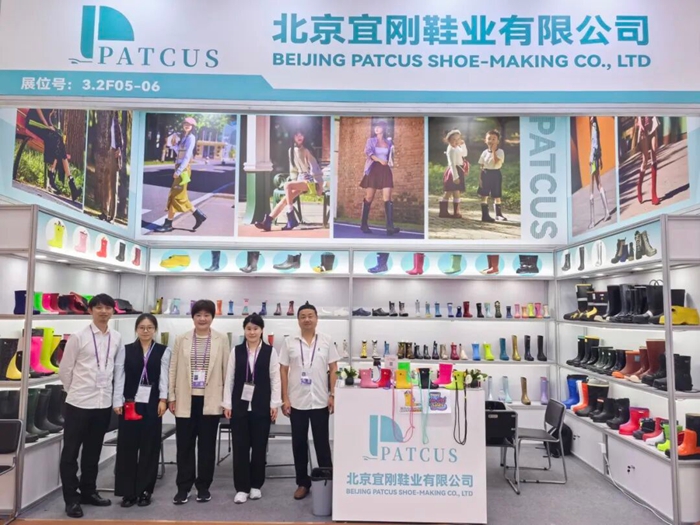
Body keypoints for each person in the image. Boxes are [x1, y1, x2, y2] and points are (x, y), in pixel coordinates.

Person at [58, 294, 124, 518]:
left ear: (113, 311)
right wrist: (76, 391)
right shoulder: (78, 337)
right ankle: (71, 499)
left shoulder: (116, 337)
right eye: (99, 307)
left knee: (93, 452)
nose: (103, 311)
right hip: (78, 403)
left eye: (108, 308)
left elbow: (115, 369)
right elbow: (65, 370)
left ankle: (88, 491)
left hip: (102, 403)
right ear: (90, 310)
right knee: (70, 453)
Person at [168, 299, 229, 505]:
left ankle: (203, 487)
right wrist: (171, 396)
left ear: (212, 317)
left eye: (206, 315)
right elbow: (173, 369)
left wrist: (226, 401)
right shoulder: (182, 339)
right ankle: (183, 488)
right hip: (186, 398)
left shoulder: (221, 339)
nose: (202, 319)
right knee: (184, 446)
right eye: (198, 315)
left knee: (207, 446)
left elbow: (226, 371)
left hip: (211, 399)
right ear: (192, 317)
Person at [280, 302, 340, 500]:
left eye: (310, 316)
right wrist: (285, 398)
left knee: (322, 443)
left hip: (320, 400)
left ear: (316, 318)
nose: (307, 319)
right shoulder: (289, 342)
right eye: (303, 316)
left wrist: (333, 394)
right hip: (297, 400)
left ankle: (327, 481)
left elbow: (333, 368)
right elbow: (283, 370)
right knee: (298, 443)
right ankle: (303, 483)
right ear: (298, 320)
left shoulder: (327, 340)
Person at [112, 314, 171, 508]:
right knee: (127, 447)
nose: (146, 331)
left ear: (155, 330)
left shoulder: (163, 351)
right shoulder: (126, 350)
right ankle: (128, 491)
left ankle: (145, 490)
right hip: (129, 402)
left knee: (149, 447)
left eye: (150, 327)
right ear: (136, 329)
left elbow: (164, 378)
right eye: (142, 327)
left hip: (153, 403)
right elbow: (119, 376)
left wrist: (163, 399)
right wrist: (117, 401)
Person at [223, 314, 281, 504]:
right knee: (240, 447)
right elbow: (229, 378)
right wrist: (227, 404)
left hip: (261, 405)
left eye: (256, 328)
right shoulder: (236, 351)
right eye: (249, 328)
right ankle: (241, 488)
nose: (252, 332)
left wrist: (274, 404)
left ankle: (256, 485)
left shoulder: (270, 352)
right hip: (239, 406)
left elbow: (275, 379)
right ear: (244, 330)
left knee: (259, 446)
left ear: (262, 330)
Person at [254, 129, 323, 232]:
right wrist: (294, 182)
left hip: (311, 181)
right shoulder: (291, 151)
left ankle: (291, 218)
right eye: (296, 135)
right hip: (300, 180)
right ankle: (268, 222)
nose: (299, 137)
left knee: (287, 185)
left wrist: (319, 185)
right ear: (293, 137)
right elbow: (293, 170)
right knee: (284, 200)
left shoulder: (307, 150)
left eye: (301, 134)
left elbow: (315, 167)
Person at [155, 117, 208, 233]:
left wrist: (179, 171)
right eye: (185, 123)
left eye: (189, 124)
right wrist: (174, 145)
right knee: (180, 196)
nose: (187, 125)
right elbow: (180, 152)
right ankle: (199, 215)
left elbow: (187, 156)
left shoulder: (191, 138)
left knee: (175, 196)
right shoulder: (184, 137)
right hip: (179, 167)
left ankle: (168, 224)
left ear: (193, 127)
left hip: (183, 169)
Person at [25, 108, 82, 201]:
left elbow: (47, 116)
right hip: (33, 122)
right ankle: (56, 178)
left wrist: (51, 126)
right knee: (57, 140)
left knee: (59, 140)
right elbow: (38, 109)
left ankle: (69, 182)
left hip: (43, 126)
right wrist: (47, 126)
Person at [359, 120, 400, 236]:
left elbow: (391, 156)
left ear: (384, 128)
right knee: (369, 197)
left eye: (379, 127)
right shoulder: (371, 141)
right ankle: (364, 224)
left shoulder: (389, 142)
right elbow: (369, 153)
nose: (376, 129)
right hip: (373, 169)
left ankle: (390, 227)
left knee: (388, 197)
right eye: (375, 127)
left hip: (385, 170)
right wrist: (380, 160)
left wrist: (389, 161)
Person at [97, 111, 124, 224]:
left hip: (114, 153)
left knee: (113, 185)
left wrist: (119, 150)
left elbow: (121, 140)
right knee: (105, 183)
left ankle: (112, 216)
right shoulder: (108, 122)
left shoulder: (116, 123)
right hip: (108, 152)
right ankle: (105, 212)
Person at [478, 129, 508, 223]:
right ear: (485, 140)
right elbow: (481, 166)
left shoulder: (500, 152)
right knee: (484, 194)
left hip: (496, 174)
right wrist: (480, 179)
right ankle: (485, 215)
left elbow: (496, 162)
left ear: (498, 141)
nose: (491, 141)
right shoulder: (484, 152)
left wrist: (493, 151)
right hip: (486, 174)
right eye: (489, 138)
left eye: (494, 139)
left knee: (496, 194)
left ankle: (498, 214)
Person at [588, 116, 611, 229]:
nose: (590, 118)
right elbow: (599, 145)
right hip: (596, 158)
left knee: (591, 189)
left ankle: (593, 222)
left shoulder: (593, 127)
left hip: (593, 159)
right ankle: (607, 212)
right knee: (599, 185)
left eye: (591, 116)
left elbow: (594, 145)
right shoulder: (596, 128)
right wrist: (600, 158)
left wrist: (591, 158)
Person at [440, 129, 468, 219]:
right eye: (454, 139)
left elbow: (464, 154)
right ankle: (446, 212)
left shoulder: (457, 147)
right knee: (450, 191)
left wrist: (463, 144)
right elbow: (452, 164)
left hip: (458, 169)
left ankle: (453, 212)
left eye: (458, 139)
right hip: (453, 171)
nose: (456, 141)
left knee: (454, 191)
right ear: (449, 140)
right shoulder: (451, 150)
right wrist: (455, 177)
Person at [636, 116, 661, 206]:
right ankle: (639, 186)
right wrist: (639, 121)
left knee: (654, 152)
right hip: (643, 125)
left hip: (652, 121)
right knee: (645, 160)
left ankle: (654, 194)